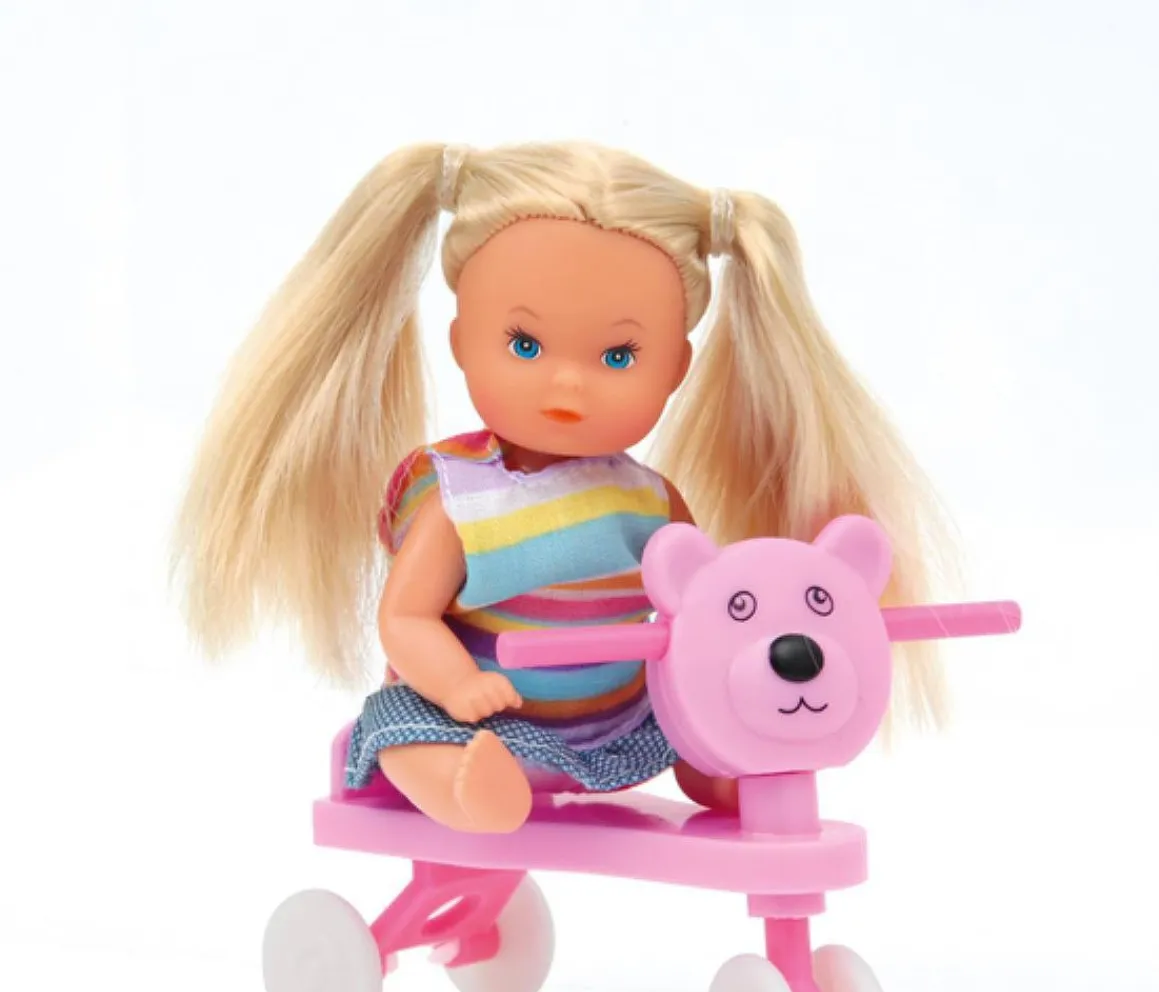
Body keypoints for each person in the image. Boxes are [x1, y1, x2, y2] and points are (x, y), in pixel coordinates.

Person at [171, 141, 956, 833]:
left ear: (676, 369)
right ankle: (465, 789)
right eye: (524, 344)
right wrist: (459, 683)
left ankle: (715, 772)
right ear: (461, 342)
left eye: (618, 357)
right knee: (407, 732)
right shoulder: (462, 500)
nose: (568, 386)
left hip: (622, 717)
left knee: (693, 724)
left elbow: (699, 605)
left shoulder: (650, 502)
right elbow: (405, 616)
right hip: (478, 721)